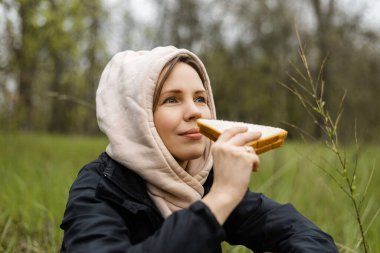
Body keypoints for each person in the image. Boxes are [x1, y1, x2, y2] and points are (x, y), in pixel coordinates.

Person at [60, 46, 338, 253]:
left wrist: (222, 193)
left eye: (200, 98)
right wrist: (219, 199)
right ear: (134, 118)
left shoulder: (203, 178)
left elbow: (303, 234)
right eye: (171, 100)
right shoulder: (100, 187)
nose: (195, 111)